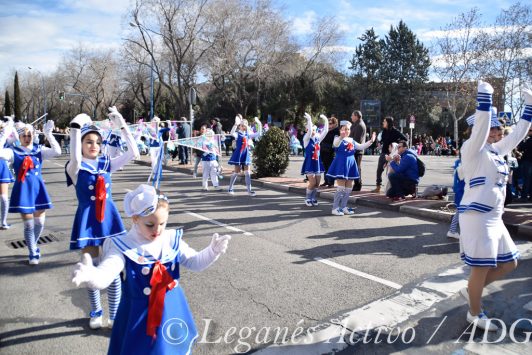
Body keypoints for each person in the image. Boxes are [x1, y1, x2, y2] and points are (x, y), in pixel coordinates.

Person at [72, 184, 231, 354]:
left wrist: (212, 251)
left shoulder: (169, 239)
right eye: (150, 224)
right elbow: (108, 271)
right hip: (138, 317)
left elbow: (195, 262)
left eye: (162, 223)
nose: (157, 230)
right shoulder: (123, 245)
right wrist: (92, 277)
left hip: (171, 310)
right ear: (135, 219)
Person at [458, 81, 531, 331]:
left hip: (494, 217)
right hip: (477, 215)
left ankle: (472, 291)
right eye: (492, 128)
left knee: (510, 262)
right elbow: (480, 128)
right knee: (481, 267)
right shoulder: (471, 149)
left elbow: (518, 134)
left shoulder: (496, 151)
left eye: (498, 129)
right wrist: (484, 100)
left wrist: (529, 107)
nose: (496, 132)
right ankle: (474, 312)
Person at [66, 107, 139, 329]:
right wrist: (76, 128)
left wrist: (123, 126)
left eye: (97, 142)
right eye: (88, 142)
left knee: (113, 269)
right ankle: (96, 310)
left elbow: (133, 153)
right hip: (88, 221)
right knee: (91, 267)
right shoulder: (75, 167)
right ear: (80, 145)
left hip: (109, 219)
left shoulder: (107, 163)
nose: (94, 146)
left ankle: (115, 315)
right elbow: (75, 154)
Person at [0, 119, 61, 264]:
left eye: (29, 135)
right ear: (19, 137)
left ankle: (32, 244)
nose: (27, 138)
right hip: (23, 191)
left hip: (38, 190)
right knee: (29, 225)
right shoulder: (13, 151)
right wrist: (4, 134)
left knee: (39, 223)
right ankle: (32, 252)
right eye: (24, 136)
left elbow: (57, 151)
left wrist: (48, 134)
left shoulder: (39, 150)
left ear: (33, 135)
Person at [326, 120, 376, 215]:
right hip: (341, 164)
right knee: (341, 187)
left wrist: (371, 141)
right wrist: (341, 136)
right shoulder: (337, 138)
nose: (346, 131)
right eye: (344, 129)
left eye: (348, 129)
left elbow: (361, 147)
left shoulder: (351, 140)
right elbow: (335, 144)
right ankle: (335, 208)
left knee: (349, 188)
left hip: (350, 164)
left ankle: (343, 206)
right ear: (340, 130)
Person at [227, 115, 262, 196]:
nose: (243, 126)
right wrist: (235, 124)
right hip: (239, 154)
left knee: (247, 172)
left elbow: (259, 134)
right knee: (236, 172)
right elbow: (232, 133)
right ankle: (230, 188)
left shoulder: (248, 134)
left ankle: (249, 191)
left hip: (245, 154)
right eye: (241, 125)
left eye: (244, 125)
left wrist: (259, 124)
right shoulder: (237, 134)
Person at [373, 116, 407, 193]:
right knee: (379, 170)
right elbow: (383, 140)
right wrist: (381, 143)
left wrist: (396, 144)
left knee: (389, 172)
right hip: (384, 153)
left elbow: (405, 139)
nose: (383, 123)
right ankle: (378, 186)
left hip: (392, 154)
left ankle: (389, 189)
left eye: (384, 121)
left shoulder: (396, 131)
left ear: (388, 122)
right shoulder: (384, 131)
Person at [301, 113, 328, 206]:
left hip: (317, 163)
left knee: (317, 183)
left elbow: (326, 130)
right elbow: (309, 133)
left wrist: (325, 120)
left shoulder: (318, 139)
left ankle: (313, 198)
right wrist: (309, 120)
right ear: (307, 129)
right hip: (309, 163)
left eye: (313, 128)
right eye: (310, 128)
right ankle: (307, 198)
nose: (312, 130)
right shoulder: (306, 139)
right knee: (312, 183)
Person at [0, 117, 16, 229]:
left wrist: (12, 126)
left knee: (4, 197)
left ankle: (3, 222)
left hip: (2, 167)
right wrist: (4, 133)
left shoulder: (5, 137)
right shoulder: (3, 136)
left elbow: (15, 138)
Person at [447, 154, 464, 240]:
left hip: (459, 190)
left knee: (459, 211)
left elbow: (456, 180)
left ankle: (452, 231)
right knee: (461, 212)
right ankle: (452, 231)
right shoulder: (464, 164)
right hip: (463, 191)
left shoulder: (458, 163)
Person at [199, 126, 222, 191]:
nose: (210, 135)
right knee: (205, 174)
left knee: (214, 173)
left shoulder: (213, 141)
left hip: (213, 160)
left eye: (211, 134)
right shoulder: (202, 140)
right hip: (205, 160)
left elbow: (216, 150)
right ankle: (205, 187)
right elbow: (202, 147)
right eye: (209, 134)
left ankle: (216, 186)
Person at [320, 116, 339, 187]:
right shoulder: (326, 130)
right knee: (325, 167)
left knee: (331, 167)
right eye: (328, 123)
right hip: (324, 151)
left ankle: (331, 182)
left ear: (335, 124)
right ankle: (326, 181)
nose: (329, 125)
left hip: (331, 152)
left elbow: (335, 143)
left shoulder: (337, 131)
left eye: (330, 123)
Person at [350, 111, 366, 191]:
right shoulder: (356, 124)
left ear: (356, 116)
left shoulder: (360, 125)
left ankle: (358, 184)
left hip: (357, 150)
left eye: (352, 115)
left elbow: (357, 140)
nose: (351, 117)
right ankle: (356, 184)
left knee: (357, 168)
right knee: (355, 168)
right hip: (355, 150)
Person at [516, 126, 532, 201]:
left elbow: (520, 148)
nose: (528, 132)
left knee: (527, 179)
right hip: (528, 161)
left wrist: (523, 139)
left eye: (530, 130)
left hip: (528, 161)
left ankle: (524, 196)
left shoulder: (529, 140)